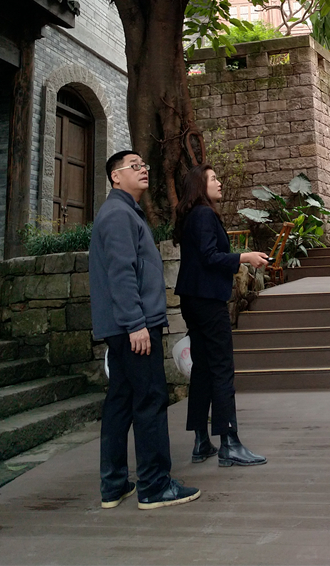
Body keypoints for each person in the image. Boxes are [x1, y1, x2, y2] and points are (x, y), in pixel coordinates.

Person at [89, 149, 200, 510]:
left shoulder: (123, 212)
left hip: (124, 326)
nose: (143, 170)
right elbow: (121, 273)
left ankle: (113, 486)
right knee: (150, 399)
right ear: (115, 176)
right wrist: (136, 323)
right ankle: (154, 486)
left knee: (120, 401)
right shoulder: (119, 215)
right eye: (133, 166)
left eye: (144, 165)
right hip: (134, 327)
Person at [174, 165, 269, 466]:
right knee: (221, 367)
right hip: (207, 301)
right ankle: (230, 442)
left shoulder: (191, 215)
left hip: (192, 300)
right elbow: (209, 256)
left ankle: (201, 441)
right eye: (213, 178)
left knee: (203, 368)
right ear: (199, 185)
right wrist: (244, 257)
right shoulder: (204, 214)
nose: (219, 182)